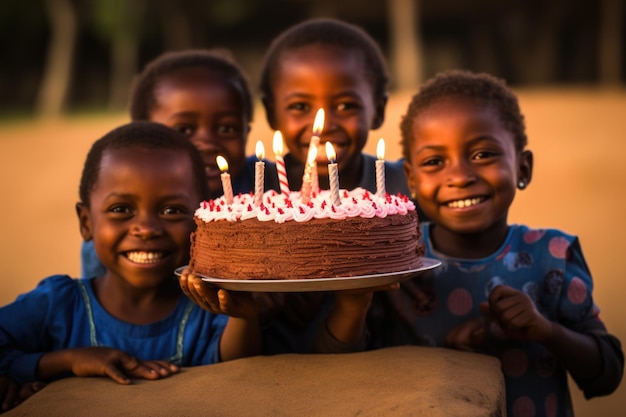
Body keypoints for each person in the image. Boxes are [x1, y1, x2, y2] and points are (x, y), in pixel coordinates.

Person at [325, 69, 624, 416]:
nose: (460, 177)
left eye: (483, 155)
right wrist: (445, 357)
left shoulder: (553, 256)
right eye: (435, 162)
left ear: (523, 167)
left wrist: (546, 331)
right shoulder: (397, 259)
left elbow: (608, 375)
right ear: (412, 179)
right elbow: (343, 362)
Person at [0, 122, 261, 411]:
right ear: (86, 222)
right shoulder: (57, 305)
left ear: (200, 221)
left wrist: (245, 317)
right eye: (121, 209)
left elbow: (239, 371)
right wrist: (65, 360)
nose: (147, 229)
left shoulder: (206, 303)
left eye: (171, 210)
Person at [81, 49, 279, 278]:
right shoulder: (118, 223)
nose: (207, 144)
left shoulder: (272, 184)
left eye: (227, 128)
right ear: (143, 135)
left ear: (246, 131)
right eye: (184, 130)